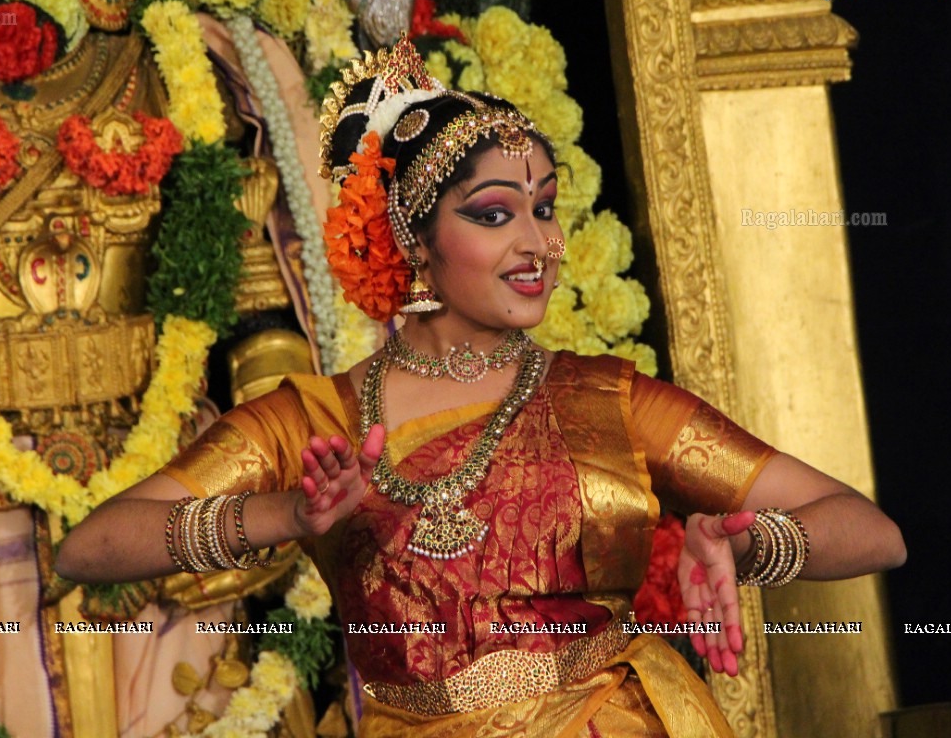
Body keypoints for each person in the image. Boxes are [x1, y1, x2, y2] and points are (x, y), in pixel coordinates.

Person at [56, 38, 906, 736]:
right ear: (414, 244)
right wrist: (286, 518)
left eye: (546, 207)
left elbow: (869, 533)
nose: (538, 242)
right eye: (495, 215)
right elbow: (91, 548)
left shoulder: (608, 400)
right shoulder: (316, 419)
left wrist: (742, 546)